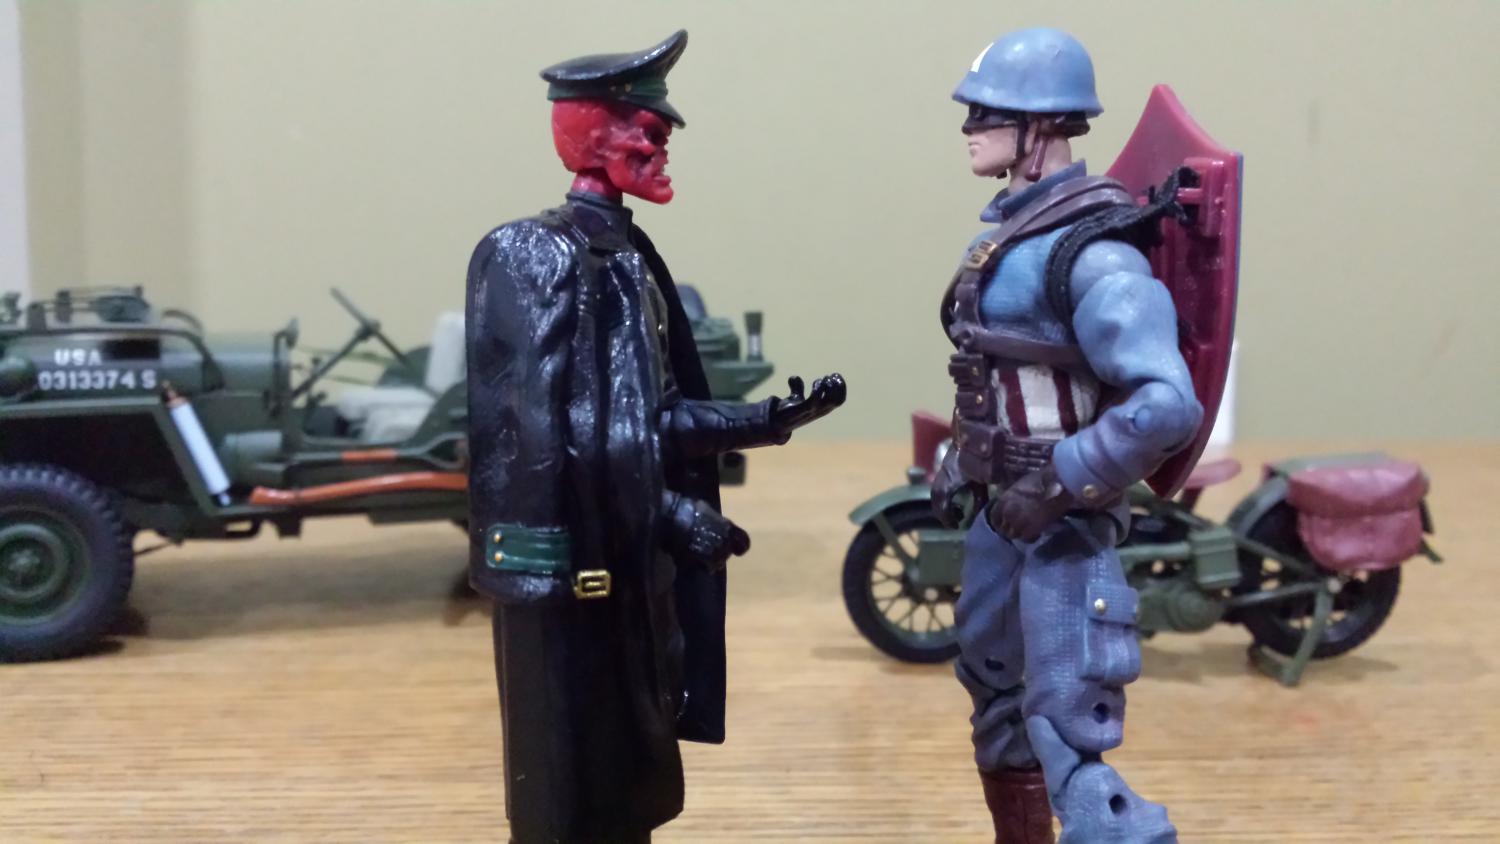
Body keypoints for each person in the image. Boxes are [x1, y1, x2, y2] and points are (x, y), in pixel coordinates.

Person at [464, 30, 845, 844]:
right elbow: (547, 438)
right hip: (568, 584)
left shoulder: (627, 257)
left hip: (630, 577)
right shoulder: (531, 253)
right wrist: (670, 514)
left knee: (631, 776)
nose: (660, 147)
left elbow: (651, 421)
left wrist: (767, 420)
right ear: (591, 134)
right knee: (567, 787)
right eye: (646, 131)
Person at [934, 27, 1201, 844]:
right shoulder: (1012, 238)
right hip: (998, 513)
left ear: (1042, 126)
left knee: (1066, 723)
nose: (970, 127)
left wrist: (1058, 485)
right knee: (994, 697)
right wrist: (962, 459)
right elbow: (990, 372)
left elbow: (1165, 404)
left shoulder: (1093, 254)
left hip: (1064, 525)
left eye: (989, 113)